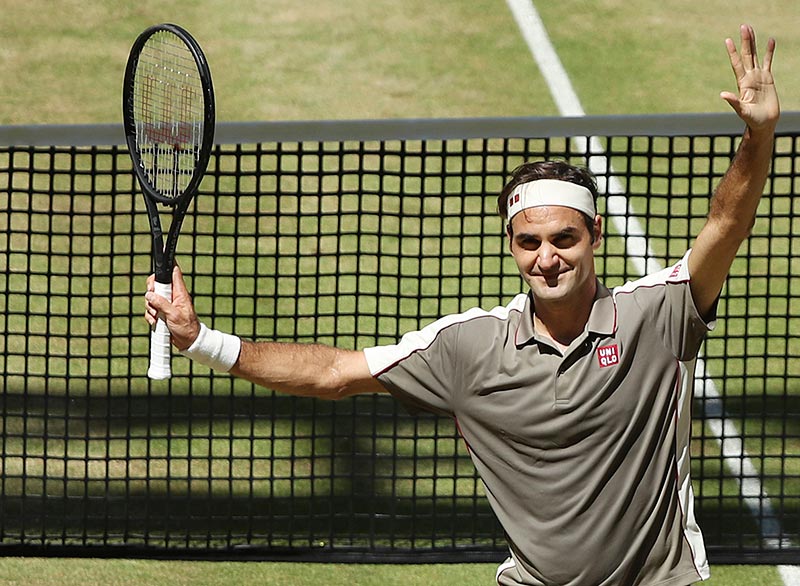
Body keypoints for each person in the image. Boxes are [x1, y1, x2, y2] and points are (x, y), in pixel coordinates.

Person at [144, 24, 779, 586]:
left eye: (564, 239)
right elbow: (334, 374)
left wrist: (759, 136)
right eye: (529, 242)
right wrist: (201, 339)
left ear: (595, 238)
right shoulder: (468, 348)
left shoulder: (656, 318)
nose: (547, 258)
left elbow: (724, 225)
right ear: (511, 247)